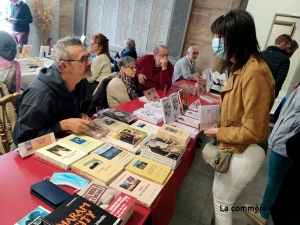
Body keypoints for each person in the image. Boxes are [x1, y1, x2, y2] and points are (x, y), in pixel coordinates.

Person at [203, 9, 275, 225]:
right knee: (219, 198)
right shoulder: (240, 67)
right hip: (233, 147)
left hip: (246, 150)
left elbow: (255, 130)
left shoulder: (255, 72)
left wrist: (218, 131)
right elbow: (239, 113)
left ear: (236, 37)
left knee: (222, 203)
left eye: (219, 37)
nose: (215, 42)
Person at [12, 36, 94, 146]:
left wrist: (79, 115)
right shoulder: (40, 94)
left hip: (61, 140)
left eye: (88, 57)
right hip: (27, 150)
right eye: (83, 59)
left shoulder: (80, 82)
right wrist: (62, 125)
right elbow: (24, 140)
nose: (90, 62)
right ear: (64, 65)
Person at [245, 85, 300, 225]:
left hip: (285, 143)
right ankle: (265, 208)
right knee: (277, 179)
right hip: (285, 140)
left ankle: (263, 213)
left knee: (275, 179)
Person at [261, 34, 292, 98]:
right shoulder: (284, 59)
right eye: (288, 47)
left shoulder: (260, 54)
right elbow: (279, 80)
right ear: (283, 44)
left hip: (252, 89)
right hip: (268, 95)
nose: (288, 50)